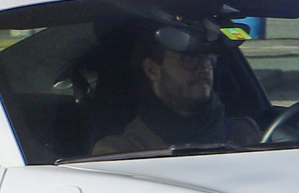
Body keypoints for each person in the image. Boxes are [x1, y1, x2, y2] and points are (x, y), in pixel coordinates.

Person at [93, 23, 264, 156]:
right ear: (152, 70)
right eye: (188, 59)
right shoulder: (120, 151)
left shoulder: (245, 133)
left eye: (208, 58)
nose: (203, 68)